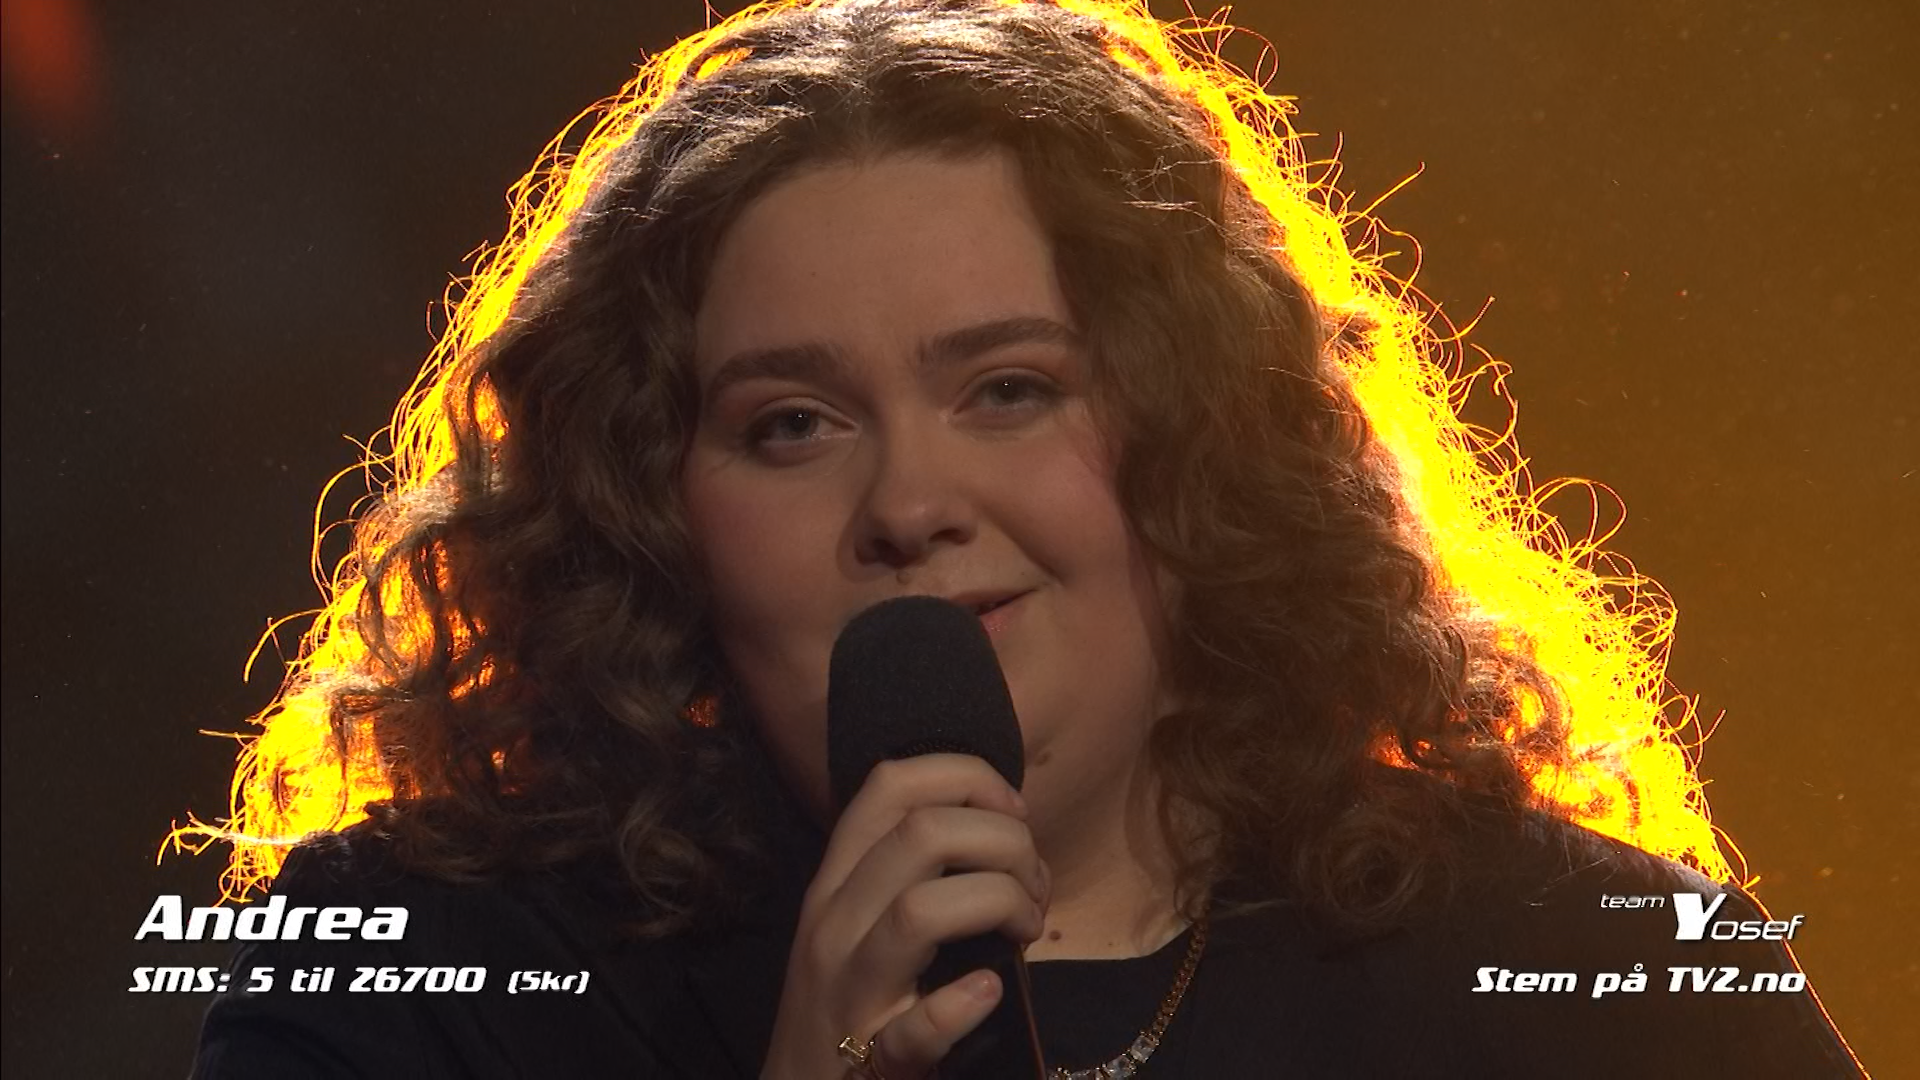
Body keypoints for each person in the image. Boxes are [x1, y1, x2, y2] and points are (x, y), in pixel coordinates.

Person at [185, 0, 1862, 1076]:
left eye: (1007, 389)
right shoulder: (418, 977)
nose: (911, 503)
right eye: (792, 423)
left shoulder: (1603, 975)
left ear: (1201, 435)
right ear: (649, 505)